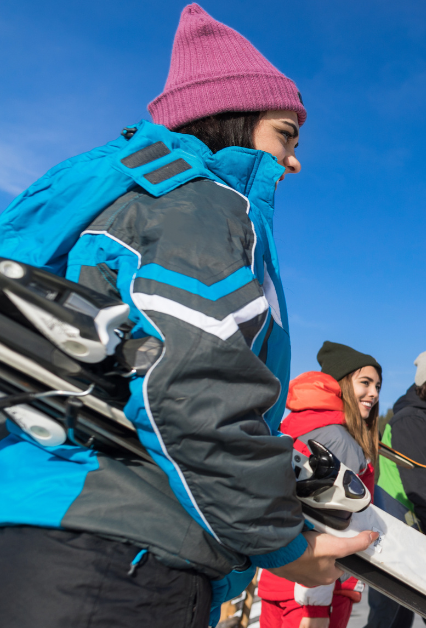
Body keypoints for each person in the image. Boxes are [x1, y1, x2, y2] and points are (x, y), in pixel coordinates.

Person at [0, 6, 373, 627]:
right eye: (286, 134)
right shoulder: (197, 205)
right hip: (121, 560)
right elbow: (192, 385)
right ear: (235, 119)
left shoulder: (129, 193)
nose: (295, 159)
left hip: (51, 532)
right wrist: (284, 544)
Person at [258, 342, 384, 628]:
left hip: (278, 573)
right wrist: (314, 601)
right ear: (341, 384)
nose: (374, 393)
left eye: (378, 385)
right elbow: (331, 520)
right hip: (317, 586)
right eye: (365, 382)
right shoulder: (340, 440)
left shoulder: (295, 423)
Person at [367, 350, 426, 628]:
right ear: (423, 381)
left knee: (398, 617)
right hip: (398, 532)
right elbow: (420, 487)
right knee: (388, 616)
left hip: (409, 532)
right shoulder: (412, 421)